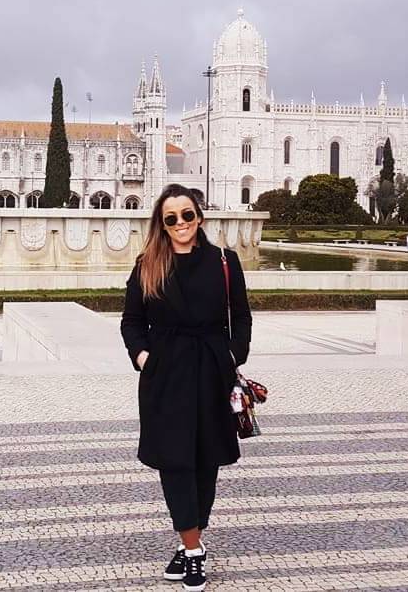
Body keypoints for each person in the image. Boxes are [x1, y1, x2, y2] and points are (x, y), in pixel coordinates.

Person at [120, 183, 252, 592]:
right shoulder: (148, 264)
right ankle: (193, 550)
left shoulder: (224, 261)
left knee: (206, 462)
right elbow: (131, 321)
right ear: (162, 223)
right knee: (175, 461)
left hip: (212, 368)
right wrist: (145, 358)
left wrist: (233, 356)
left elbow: (242, 317)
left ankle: (188, 539)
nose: (180, 223)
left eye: (187, 215)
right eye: (171, 218)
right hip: (166, 374)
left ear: (200, 217)